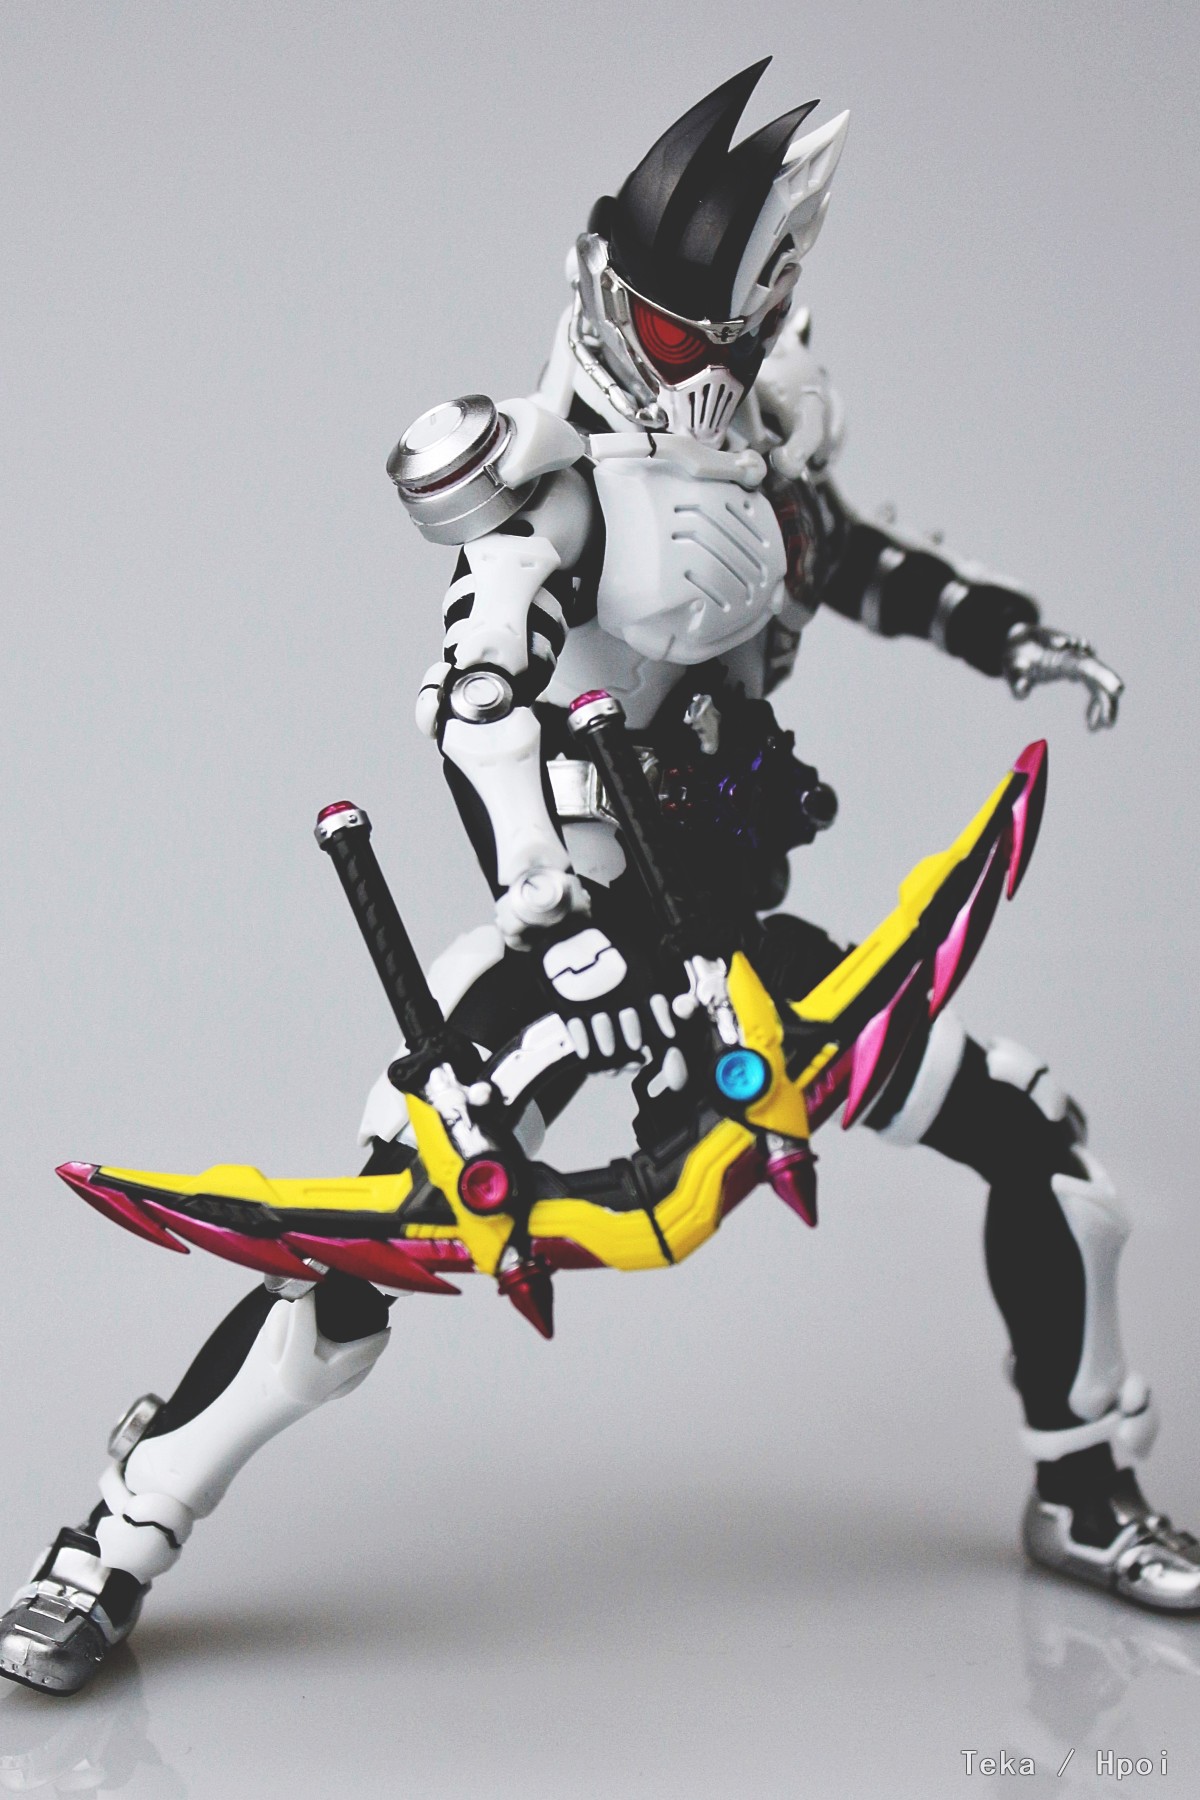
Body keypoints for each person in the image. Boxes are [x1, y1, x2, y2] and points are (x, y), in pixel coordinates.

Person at [3, 59, 1194, 1701]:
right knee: (360, 1261)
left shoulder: (762, 467)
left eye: (705, 333)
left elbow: (860, 563)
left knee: (1039, 1145)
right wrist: (553, 922)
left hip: (739, 950)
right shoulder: (548, 496)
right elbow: (475, 705)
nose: (670, 357)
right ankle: (111, 1542)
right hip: (570, 963)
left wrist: (1007, 633)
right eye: (654, 323)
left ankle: (1085, 1488)